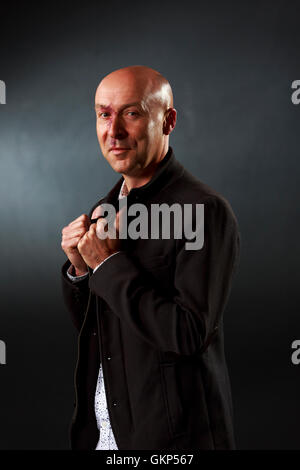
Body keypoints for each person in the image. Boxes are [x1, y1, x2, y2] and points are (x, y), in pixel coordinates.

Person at [60, 65, 240, 450]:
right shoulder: (103, 211)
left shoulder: (204, 211)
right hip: (108, 435)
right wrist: (80, 269)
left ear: (168, 120)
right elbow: (98, 328)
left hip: (172, 442)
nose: (114, 131)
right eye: (104, 114)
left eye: (132, 113)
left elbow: (189, 333)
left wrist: (108, 265)